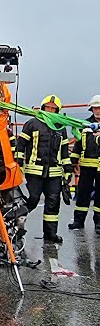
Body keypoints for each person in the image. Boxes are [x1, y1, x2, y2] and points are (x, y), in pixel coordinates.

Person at [15, 95, 73, 243]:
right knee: (32, 199)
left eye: (54, 109)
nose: (51, 110)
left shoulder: (61, 127)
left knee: (53, 203)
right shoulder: (32, 124)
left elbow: (65, 151)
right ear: (43, 108)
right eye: (48, 107)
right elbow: (20, 145)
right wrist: (18, 163)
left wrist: (68, 169)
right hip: (34, 171)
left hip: (54, 173)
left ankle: (50, 234)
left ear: (58, 111)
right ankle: (15, 226)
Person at [68, 95, 100, 233]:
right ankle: (78, 221)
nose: (97, 111)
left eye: (99, 108)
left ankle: (99, 223)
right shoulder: (85, 125)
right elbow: (78, 145)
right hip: (86, 166)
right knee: (82, 194)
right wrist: (73, 162)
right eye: (95, 108)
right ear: (91, 109)